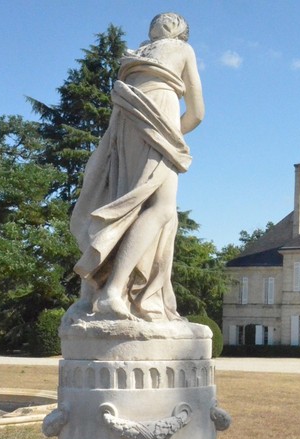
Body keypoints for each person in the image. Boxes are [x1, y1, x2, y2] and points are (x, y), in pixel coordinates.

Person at [70, 12, 204, 321]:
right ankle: (113, 291)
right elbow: (197, 112)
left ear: (181, 30)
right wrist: (170, 134)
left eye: (174, 17)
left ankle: (94, 292)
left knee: (127, 202)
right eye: (163, 17)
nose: (166, 18)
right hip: (153, 117)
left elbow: (196, 112)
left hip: (128, 123)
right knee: (161, 207)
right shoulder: (180, 50)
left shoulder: (137, 55)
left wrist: (167, 135)